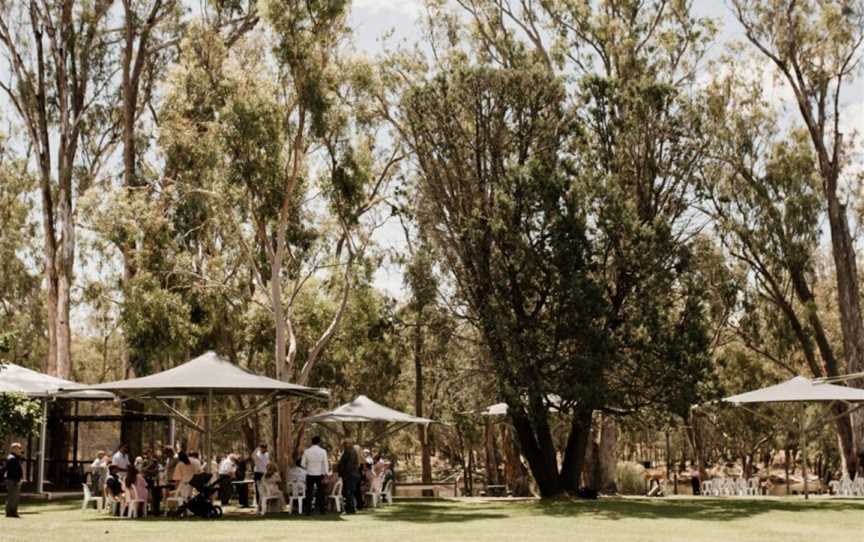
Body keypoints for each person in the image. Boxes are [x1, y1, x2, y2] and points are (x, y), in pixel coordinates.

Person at [301, 436, 328, 515]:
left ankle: (308, 511)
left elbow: (302, 463)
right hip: (319, 474)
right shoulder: (323, 451)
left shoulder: (307, 451)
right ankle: (322, 510)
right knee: (321, 492)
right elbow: (325, 463)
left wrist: (308, 467)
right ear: (319, 442)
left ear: (311, 442)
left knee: (309, 493)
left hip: (309, 474)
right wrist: (326, 473)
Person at [337, 439, 360, 514]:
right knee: (349, 492)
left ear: (348, 444)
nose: (343, 445)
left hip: (350, 475)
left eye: (345, 444)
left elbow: (348, 465)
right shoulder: (351, 451)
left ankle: (350, 509)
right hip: (352, 474)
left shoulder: (349, 451)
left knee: (349, 492)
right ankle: (351, 508)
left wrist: (345, 475)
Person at [4, 442, 23, 518]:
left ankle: (13, 512)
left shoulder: (14, 457)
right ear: (14, 449)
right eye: (19, 448)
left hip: (13, 479)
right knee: (13, 497)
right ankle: (11, 512)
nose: (20, 450)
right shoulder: (12, 458)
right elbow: (13, 471)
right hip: (13, 480)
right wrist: (17, 480)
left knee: (14, 497)